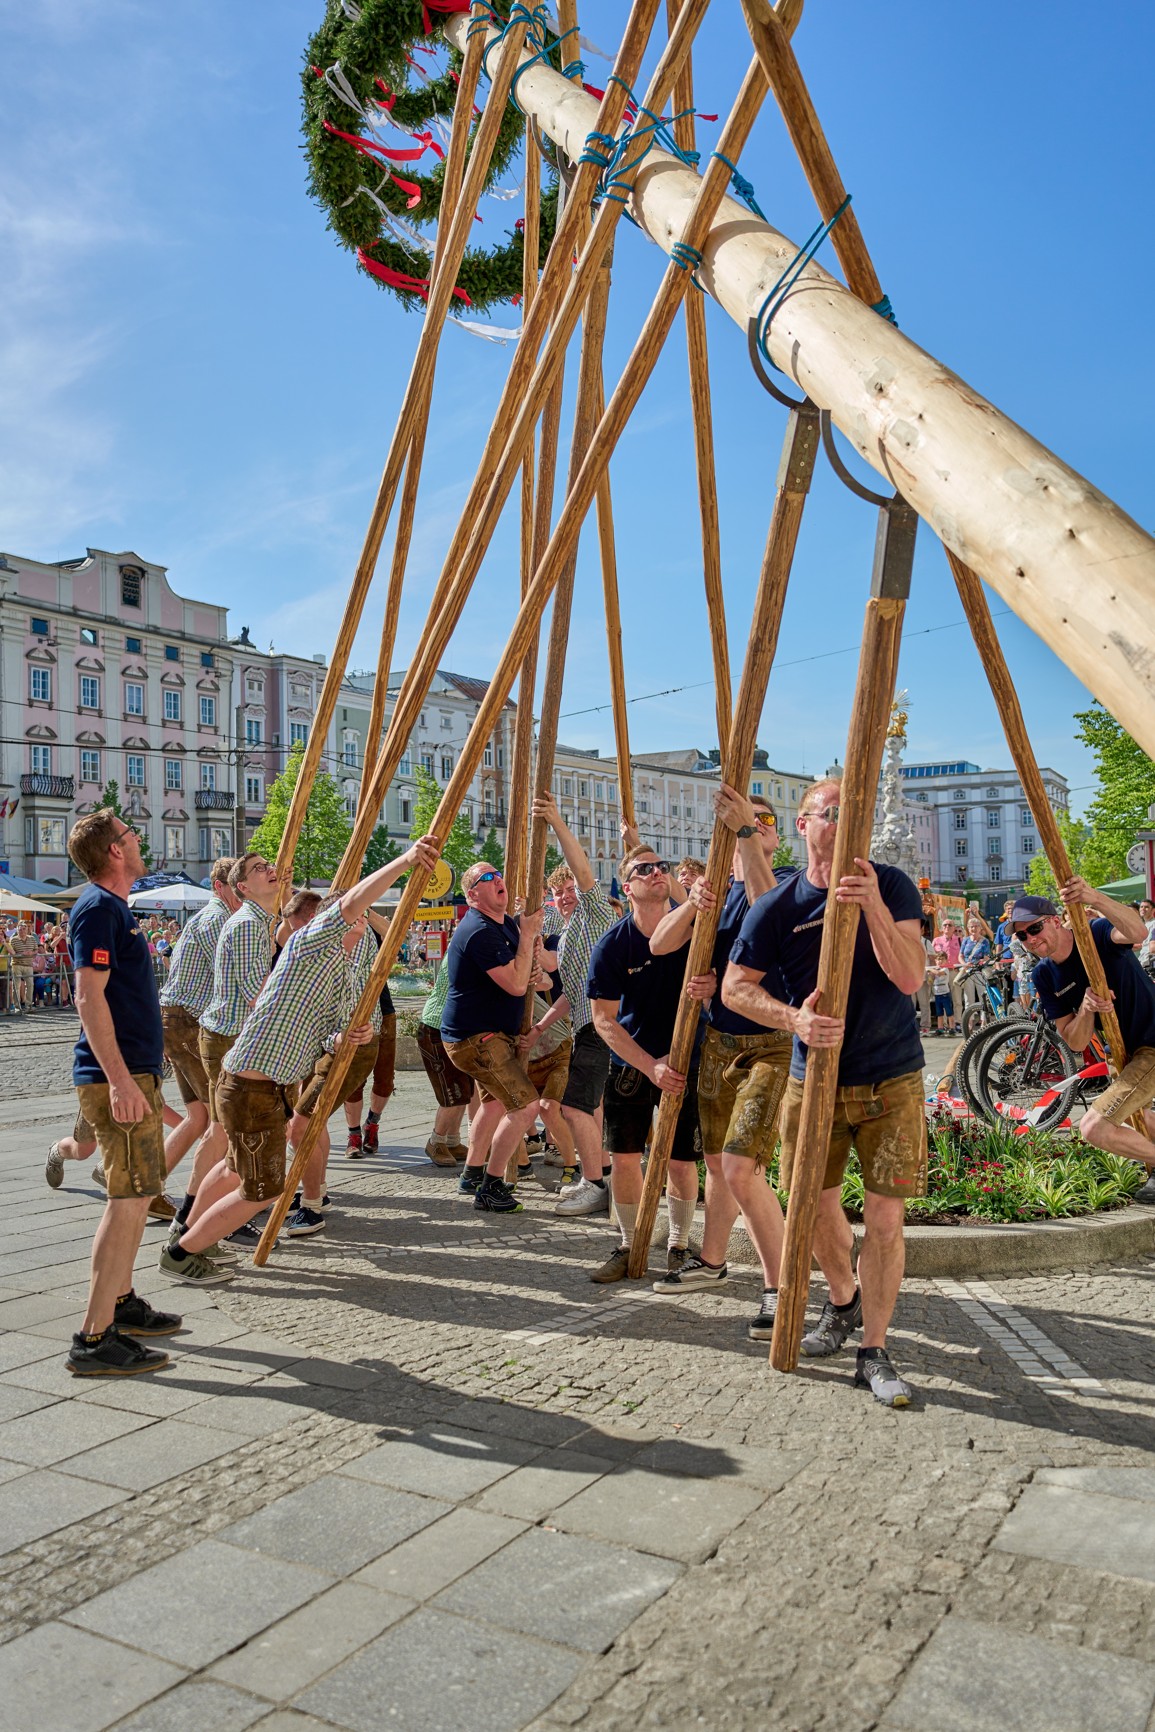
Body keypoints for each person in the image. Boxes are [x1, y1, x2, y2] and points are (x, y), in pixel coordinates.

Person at [723, 778, 926, 1408]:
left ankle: (873, 1349)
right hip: (815, 1080)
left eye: (851, 812)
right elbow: (734, 988)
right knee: (811, 1205)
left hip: (892, 1074)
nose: (839, 823)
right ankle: (842, 1300)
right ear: (803, 824)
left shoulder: (890, 885)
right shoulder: (777, 906)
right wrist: (795, 1020)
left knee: (887, 1221)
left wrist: (869, 909)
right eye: (828, 813)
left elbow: (912, 975)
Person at [159, 837, 440, 1272]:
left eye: (362, 922)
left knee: (236, 1168)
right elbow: (351, 900)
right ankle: (182, 1254)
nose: (359, 923)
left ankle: (187, 1230)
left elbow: (322, 1034)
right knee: (264, 1190)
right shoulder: (309, 947)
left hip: (265, 1084)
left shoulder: (342, 976)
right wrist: (405, 861)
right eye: (351, 918)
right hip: (250, 1084)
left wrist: (346, 1038)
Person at [648, 788, 790, 1330]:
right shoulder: (720, 889)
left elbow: (769, 915)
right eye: (745, 823)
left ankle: (779, 1285)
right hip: (719, 1041)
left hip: (772, 1042)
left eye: (765, 821)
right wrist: (693, 901)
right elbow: (661, 945)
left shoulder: (786, 884)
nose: (757, 828)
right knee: (717, 1167)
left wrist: (747, 836)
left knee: (742, 1168)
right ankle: (712, 1260)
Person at [62, 810, 183, 1375]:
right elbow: (88, 998)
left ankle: (121, 1301)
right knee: (128, 1199)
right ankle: (92, 1338)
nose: (141, 843)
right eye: (133, 837)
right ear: (115, 851)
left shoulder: (114, 910)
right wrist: (118, 1081)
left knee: (136, 1198)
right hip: (119, 1078)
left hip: (134, 1075)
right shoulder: (97, 909)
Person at [586, 844, 714, 1282]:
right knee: (624, 1158)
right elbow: (603, 1021)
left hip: (687, 1059)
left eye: (661, 866)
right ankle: (628, 1244)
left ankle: (678, 1245)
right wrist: (648, 1065)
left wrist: (713, 983)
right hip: (632, 1062)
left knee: (681, 1160)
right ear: (627, 887)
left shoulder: (697, 931)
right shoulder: (613, 945)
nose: (656, 872)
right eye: (644, 869)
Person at [1012, 885, 1155, 1171]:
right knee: (1137, 1117)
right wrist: (1087, 1010)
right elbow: (1075, 1042)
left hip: (1152, 1041)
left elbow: (1138, 933)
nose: (1030, 939)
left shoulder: (1095, 934)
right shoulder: (1043, 975)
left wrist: (1093, 897)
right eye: (1022, 935)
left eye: (1035, 928)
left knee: (1094, 1127)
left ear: (1054, 920)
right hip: (1119, 1051)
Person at [531, 793, 618, 1217]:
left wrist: (557, 822)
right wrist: (539, 1024)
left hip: (606, 1025)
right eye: (557, 892)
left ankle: (595, 1183)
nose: (564, 896)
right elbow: (568, 988)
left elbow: (583, 868)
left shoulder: (594, 914)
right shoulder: (566, 933)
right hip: (589, 1024)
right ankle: (600, 1174)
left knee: (575, 1105)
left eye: (568, 890)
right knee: (591, 1105)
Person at [188, 852, 281, 1247]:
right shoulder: (245, 925)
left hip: (231, 1036)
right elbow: (255, 995)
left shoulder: (259, 922)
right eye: (260, 869)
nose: (271, 870)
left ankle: (193, 1222)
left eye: (270, 865)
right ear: (241, 887)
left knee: (227, 1138)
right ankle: (207, 1225)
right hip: (228, 1038)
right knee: (232, 1139)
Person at [442, 862, 544, 1214]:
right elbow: (517, 984)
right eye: (486, 878)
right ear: (472, 896)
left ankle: (472, 1174)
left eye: (497, 874)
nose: (497, 879)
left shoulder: (504, 926)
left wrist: (528, 943)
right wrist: (527, 936)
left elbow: (535, 977)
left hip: (489, 1035)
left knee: (495, 1104)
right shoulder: (478, 930)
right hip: (477, 1039)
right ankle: (491, 1186)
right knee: (526, 1105)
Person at [157, 857, 239, 1232]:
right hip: (188, 1022)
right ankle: (206, 1210)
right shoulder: (218, 920)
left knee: (200, 1117)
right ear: (220, 887)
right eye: (236, 885)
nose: (242, 891)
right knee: (220, 1120)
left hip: (180, 1020)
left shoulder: (215, 917)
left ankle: (147, 1187)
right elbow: (231, 978)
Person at [416, 962, 473, 1166]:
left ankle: (452, 1141)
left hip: (456, 1030)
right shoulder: (469, 943)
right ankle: (436, 1141)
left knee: (464, 1091)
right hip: (437, 1029)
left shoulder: (470, 939)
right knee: (453, 1091)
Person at [957, 915, 991, 1017]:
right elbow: (960, 955)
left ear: (980, 928)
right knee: (968, 998)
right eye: (971, 926)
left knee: (982, 996)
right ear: (968, 928)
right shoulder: (966, 940)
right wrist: (964, 964)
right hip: (968, 971)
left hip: (979, 971)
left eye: (976, 926)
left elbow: (986, 957)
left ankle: (984, 1021)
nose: (974, 928)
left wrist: (982, 961)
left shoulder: (985, 941)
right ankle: (969, 1021)